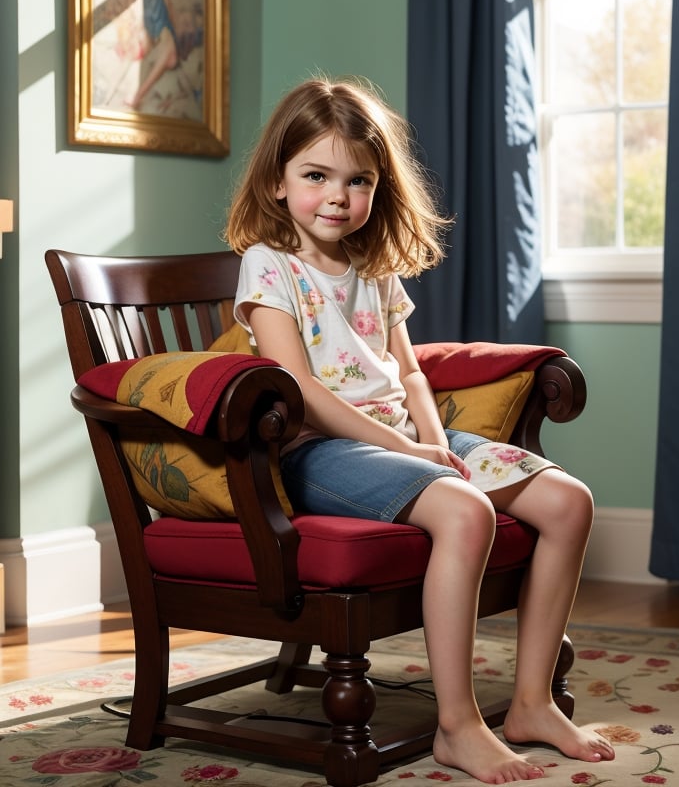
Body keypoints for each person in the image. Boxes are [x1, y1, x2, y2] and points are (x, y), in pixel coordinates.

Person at [225, 76, 615, 784]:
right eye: (316, 176)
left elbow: (408, 375)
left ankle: (531, 703)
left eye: (358, 180)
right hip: (322, 453)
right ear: (278, 181)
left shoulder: (372, 266)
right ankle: (457, 726)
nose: (338, 197)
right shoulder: (269, 267)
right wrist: (411, 452)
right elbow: (301, 390)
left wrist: (434, 443)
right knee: (466, 511)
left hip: (405, 441)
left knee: (568, 501)